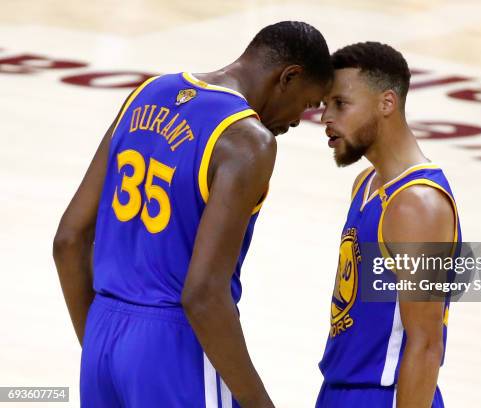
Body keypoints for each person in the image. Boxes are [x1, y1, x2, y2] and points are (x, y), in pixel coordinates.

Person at [52, 21, 332, 408]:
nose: (299, 119)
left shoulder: (146, 93)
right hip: (174, 345)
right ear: (289, 76)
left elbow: (67, 241)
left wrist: (105, 346)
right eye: (307, 103)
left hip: (102, 338)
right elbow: (203, 294)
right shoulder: (247, 140)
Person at [317, 42, 461, 407]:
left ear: (386, 103)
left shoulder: (417, 204)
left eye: (340, 104)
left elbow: (426, 344)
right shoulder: (365, 183)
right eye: (325, 105)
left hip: (384, 395)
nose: (325, 119)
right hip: (340, 388)